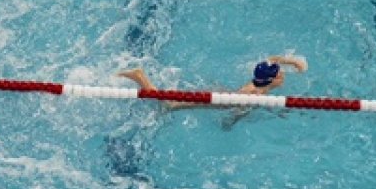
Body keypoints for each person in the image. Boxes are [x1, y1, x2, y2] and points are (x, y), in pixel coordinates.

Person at [118, 55, 308, 112]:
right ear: (272, 80)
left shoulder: (261, 82)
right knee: (169, 105)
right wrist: (231, 123)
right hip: (217, 101)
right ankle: (140, 77)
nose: (283, 75)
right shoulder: (254, 94)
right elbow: (240, 109)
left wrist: (293, 62)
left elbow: (272, 59)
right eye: (280, 74)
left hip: (223, 93)